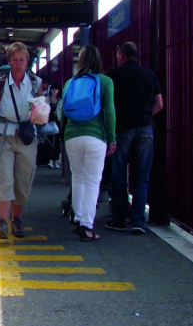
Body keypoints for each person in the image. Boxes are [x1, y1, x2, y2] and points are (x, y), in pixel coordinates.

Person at [0, 42, 42, 239]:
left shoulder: (36, 83)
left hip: (26, 136)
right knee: (5, 177)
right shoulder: (0, 84)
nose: (18, 64)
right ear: (10, 61)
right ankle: (3, 222)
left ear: (27, 60)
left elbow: (39, 111)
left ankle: (17, 219)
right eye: (15, 60)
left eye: (22, 60)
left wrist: (41, 116)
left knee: (23, 181)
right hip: (3, 134)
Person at [105, 42, 164, 234]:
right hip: (145, 128)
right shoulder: (149, 75)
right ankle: (139, 221)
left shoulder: (113, 74)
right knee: (142, 177)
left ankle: (119, 219)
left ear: (121, 55)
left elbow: (107, 104)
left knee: (119, 174)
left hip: (122, 129)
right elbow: (159, 104)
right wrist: (145, 116)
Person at [60, 45, 116, 241]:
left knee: (78, 178)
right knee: (93, 181)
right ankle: (86, 226)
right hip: (95, 136)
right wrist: (112, 137)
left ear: (80, 61)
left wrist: (64, 135)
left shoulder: (70, 83)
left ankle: (77, 219)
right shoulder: (105, 81)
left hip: (72, 136)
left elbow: (62, 113)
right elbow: (109, 111)